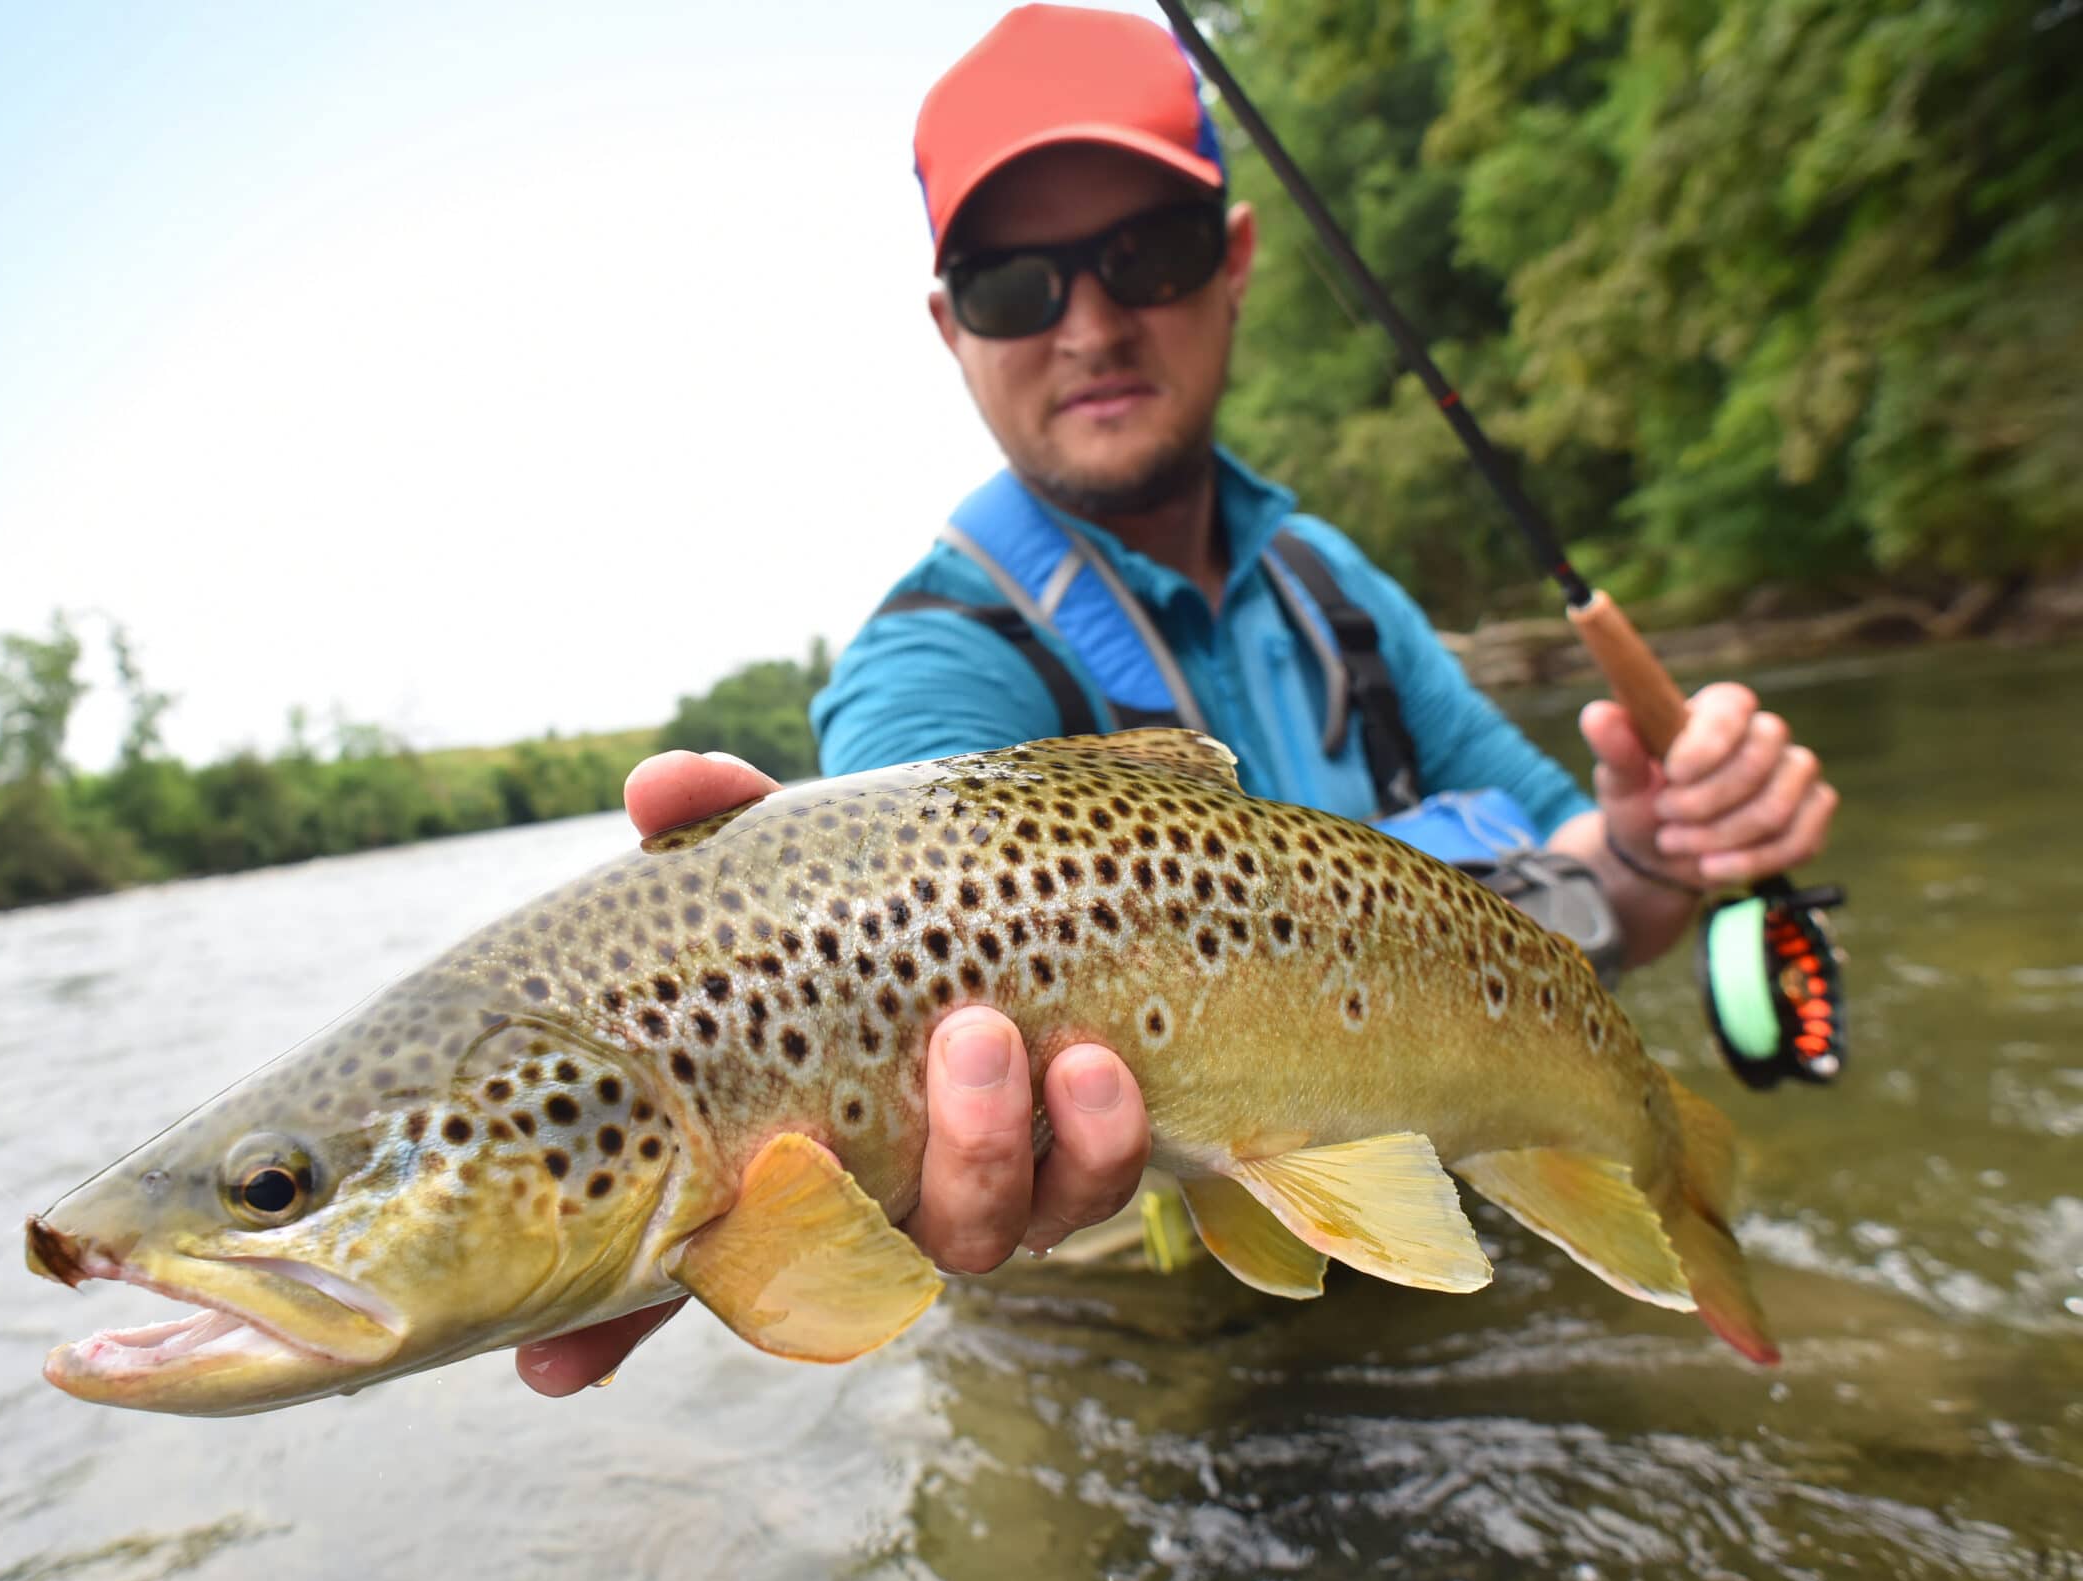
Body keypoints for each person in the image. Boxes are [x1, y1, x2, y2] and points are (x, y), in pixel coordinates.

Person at [517, 4, 1836, 1396]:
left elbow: (1586, 916)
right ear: (949, 327)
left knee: (1900, 1400)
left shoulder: (1336, 588)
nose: (1089, 323)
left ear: (1237, 262)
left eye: (1145, 253)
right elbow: (882, 939)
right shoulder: (926, 669)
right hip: (1126, 1346)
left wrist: (1646, 844)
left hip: (1441, 1254)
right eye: (1017, 285)